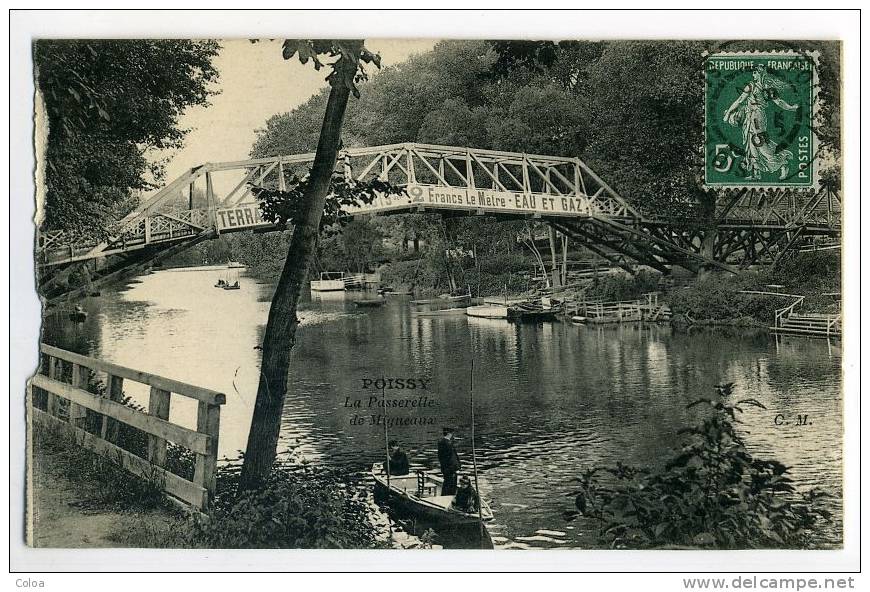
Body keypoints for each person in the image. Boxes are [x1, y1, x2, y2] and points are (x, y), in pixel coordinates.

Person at [437, 427, 461, 495]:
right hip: (451, 469)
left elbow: (440, 457)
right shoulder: (448, 444)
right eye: (451, 434)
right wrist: (457, 467)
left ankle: (444, 497)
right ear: (449, 434)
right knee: (451, 486)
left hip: (445, 468)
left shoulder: (440, 442)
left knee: (446, 484)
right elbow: (452, 458)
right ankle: (449, 499)